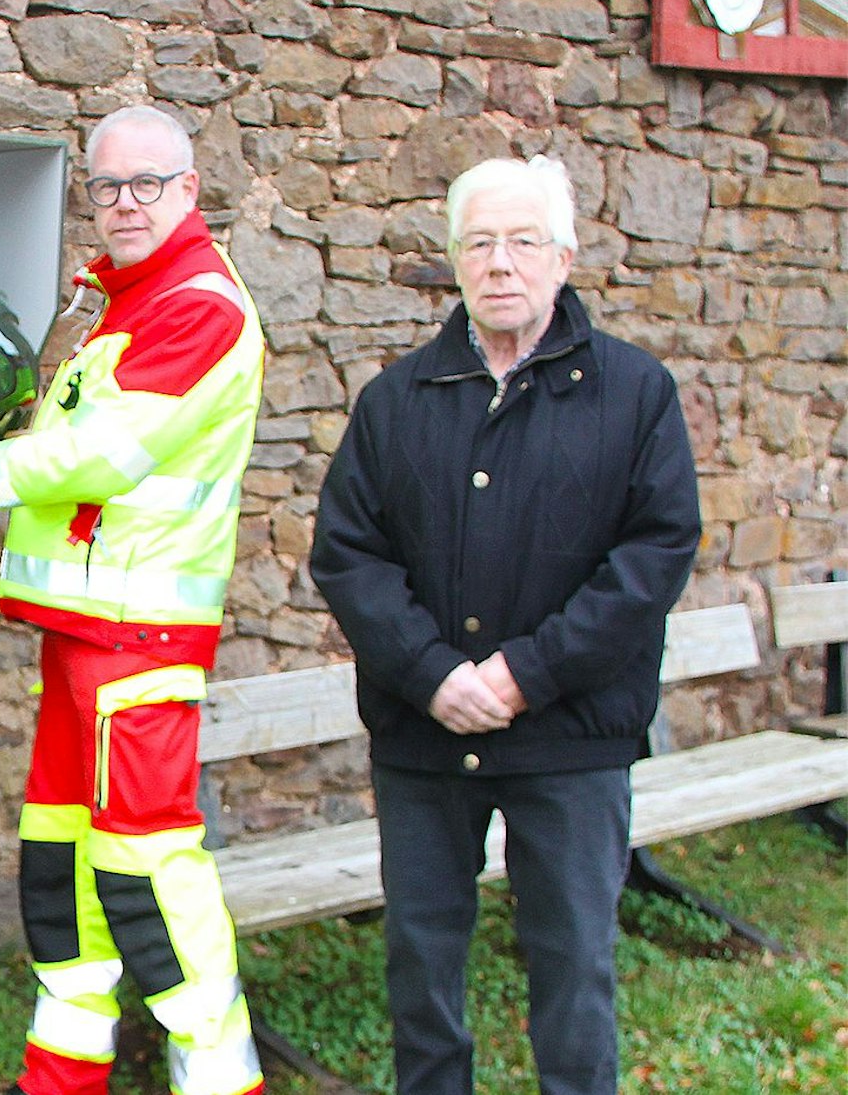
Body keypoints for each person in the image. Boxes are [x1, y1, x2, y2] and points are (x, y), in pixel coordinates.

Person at [0, 104, 266, 1095]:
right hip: (89, 638)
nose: (122, 205)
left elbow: (100, 456)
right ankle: (60, 1081)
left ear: (188, 191)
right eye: (107, 187)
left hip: (141, 643)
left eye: (145, 185)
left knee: (146, 875)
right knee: (63, 869)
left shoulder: (195, 306)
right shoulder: (122, 300)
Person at [308, 155, 700, 1095]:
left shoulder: (634, 393)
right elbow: (347, 552)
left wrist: (527, 673)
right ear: (453, 259)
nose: (501, 263)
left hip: (569, 740)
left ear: (564, 258)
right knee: (421, 969)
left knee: (573, 973)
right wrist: (432, 672)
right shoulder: (397, 401)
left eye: (523, 241)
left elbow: (654, 553)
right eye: (479, 242)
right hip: (424, 737)